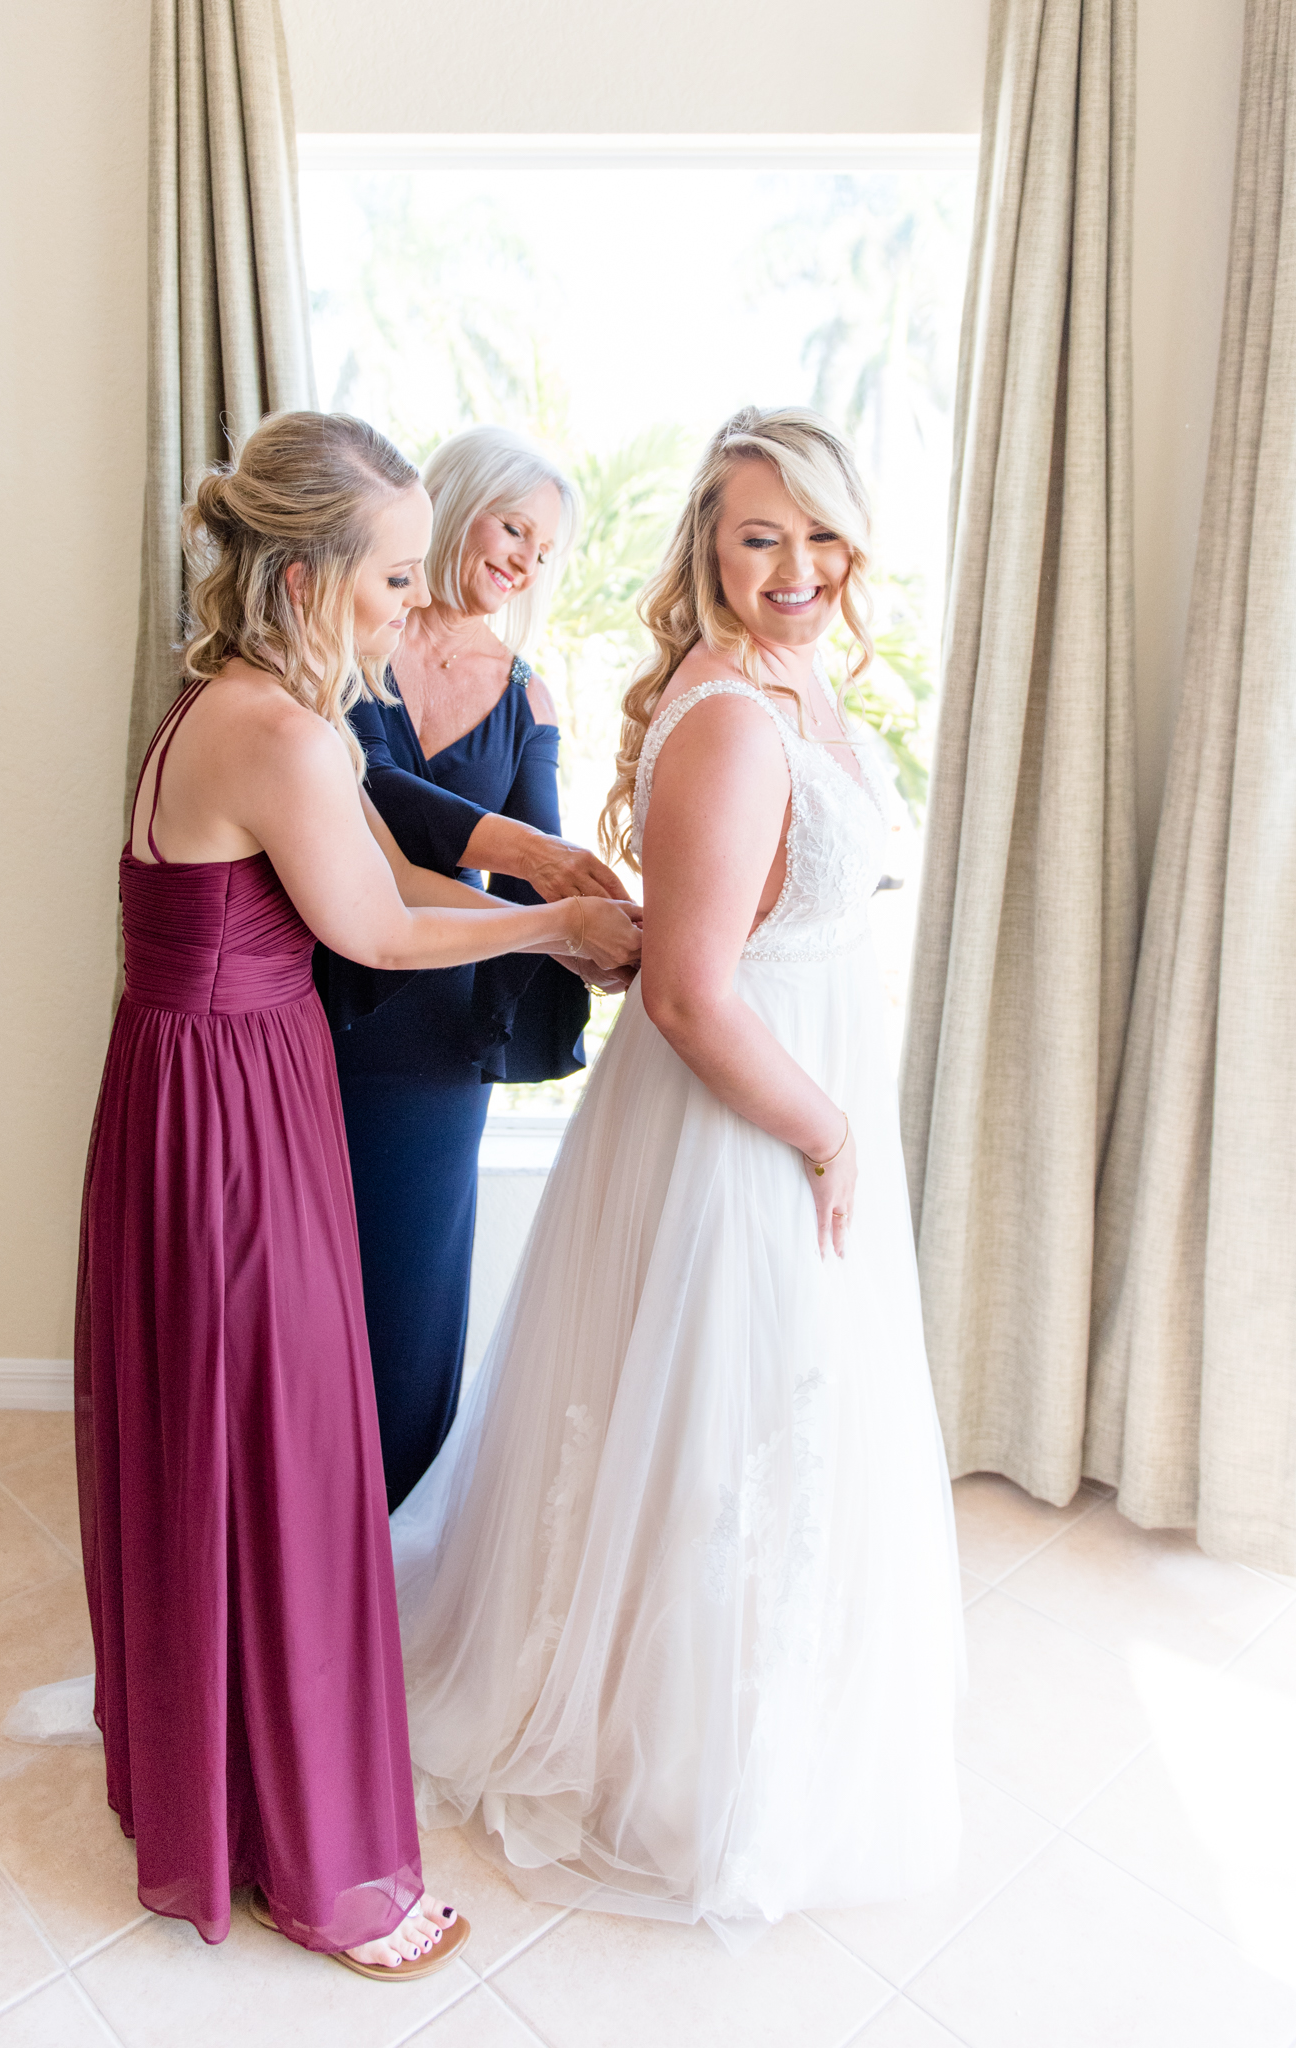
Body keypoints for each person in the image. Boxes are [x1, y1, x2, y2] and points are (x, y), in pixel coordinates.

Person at [73, 411, 641, 1979]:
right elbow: (378, 930)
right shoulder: (279, 728)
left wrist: (530, 884)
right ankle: (323, 1869)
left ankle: (216, 1786)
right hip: (233, 1116)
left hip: (194, 1097)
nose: (411, 603)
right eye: (393, 574)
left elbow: (378, 886)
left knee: (225, 1441)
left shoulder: (228, 702)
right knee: (285, 1452)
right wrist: (541, 929)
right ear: (314, 569)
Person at [389, 407, 963, 1950]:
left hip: (784, 1103)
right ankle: (667, 1753)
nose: (792, 567)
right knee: (721, 1424)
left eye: (815, 533)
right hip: (742, 1124)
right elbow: (691, 991)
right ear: (707, 549)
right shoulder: (725, 716)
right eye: (755, 535)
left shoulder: (803, 679)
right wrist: (828, 1131)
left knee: (771, 1426)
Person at [315, 426, 630, 1508]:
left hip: (440, 1034)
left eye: (545, 551)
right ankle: (289, 1545)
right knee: (301, 1299)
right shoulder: (349, 644)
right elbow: (382, 819)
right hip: (317, 1014)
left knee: (409, 1299)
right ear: (458, 503)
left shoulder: (527, 697)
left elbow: (545, 854)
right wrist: (546, 871)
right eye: (513, 527)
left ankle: (390, 1550)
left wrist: (606, 930)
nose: (525, 562)